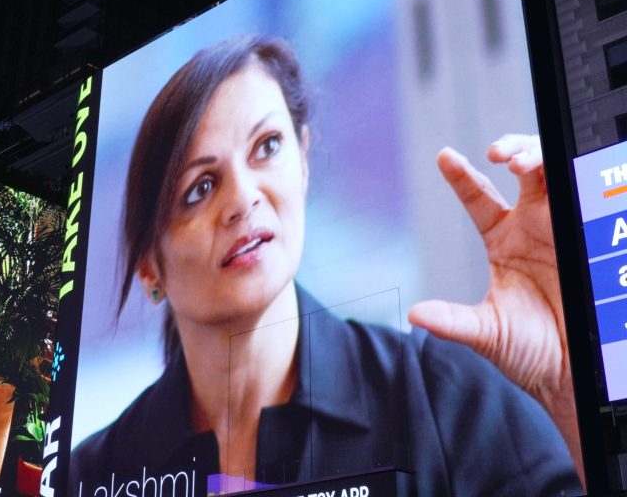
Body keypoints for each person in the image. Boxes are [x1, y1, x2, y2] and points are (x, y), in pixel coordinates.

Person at [70, 36, 583, 496]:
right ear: (149, 269)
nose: (244, 199)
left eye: (267, 147)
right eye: (199, 188)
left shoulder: (439, 397)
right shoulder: (90, 477)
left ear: (305, 160)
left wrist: (565, 383)